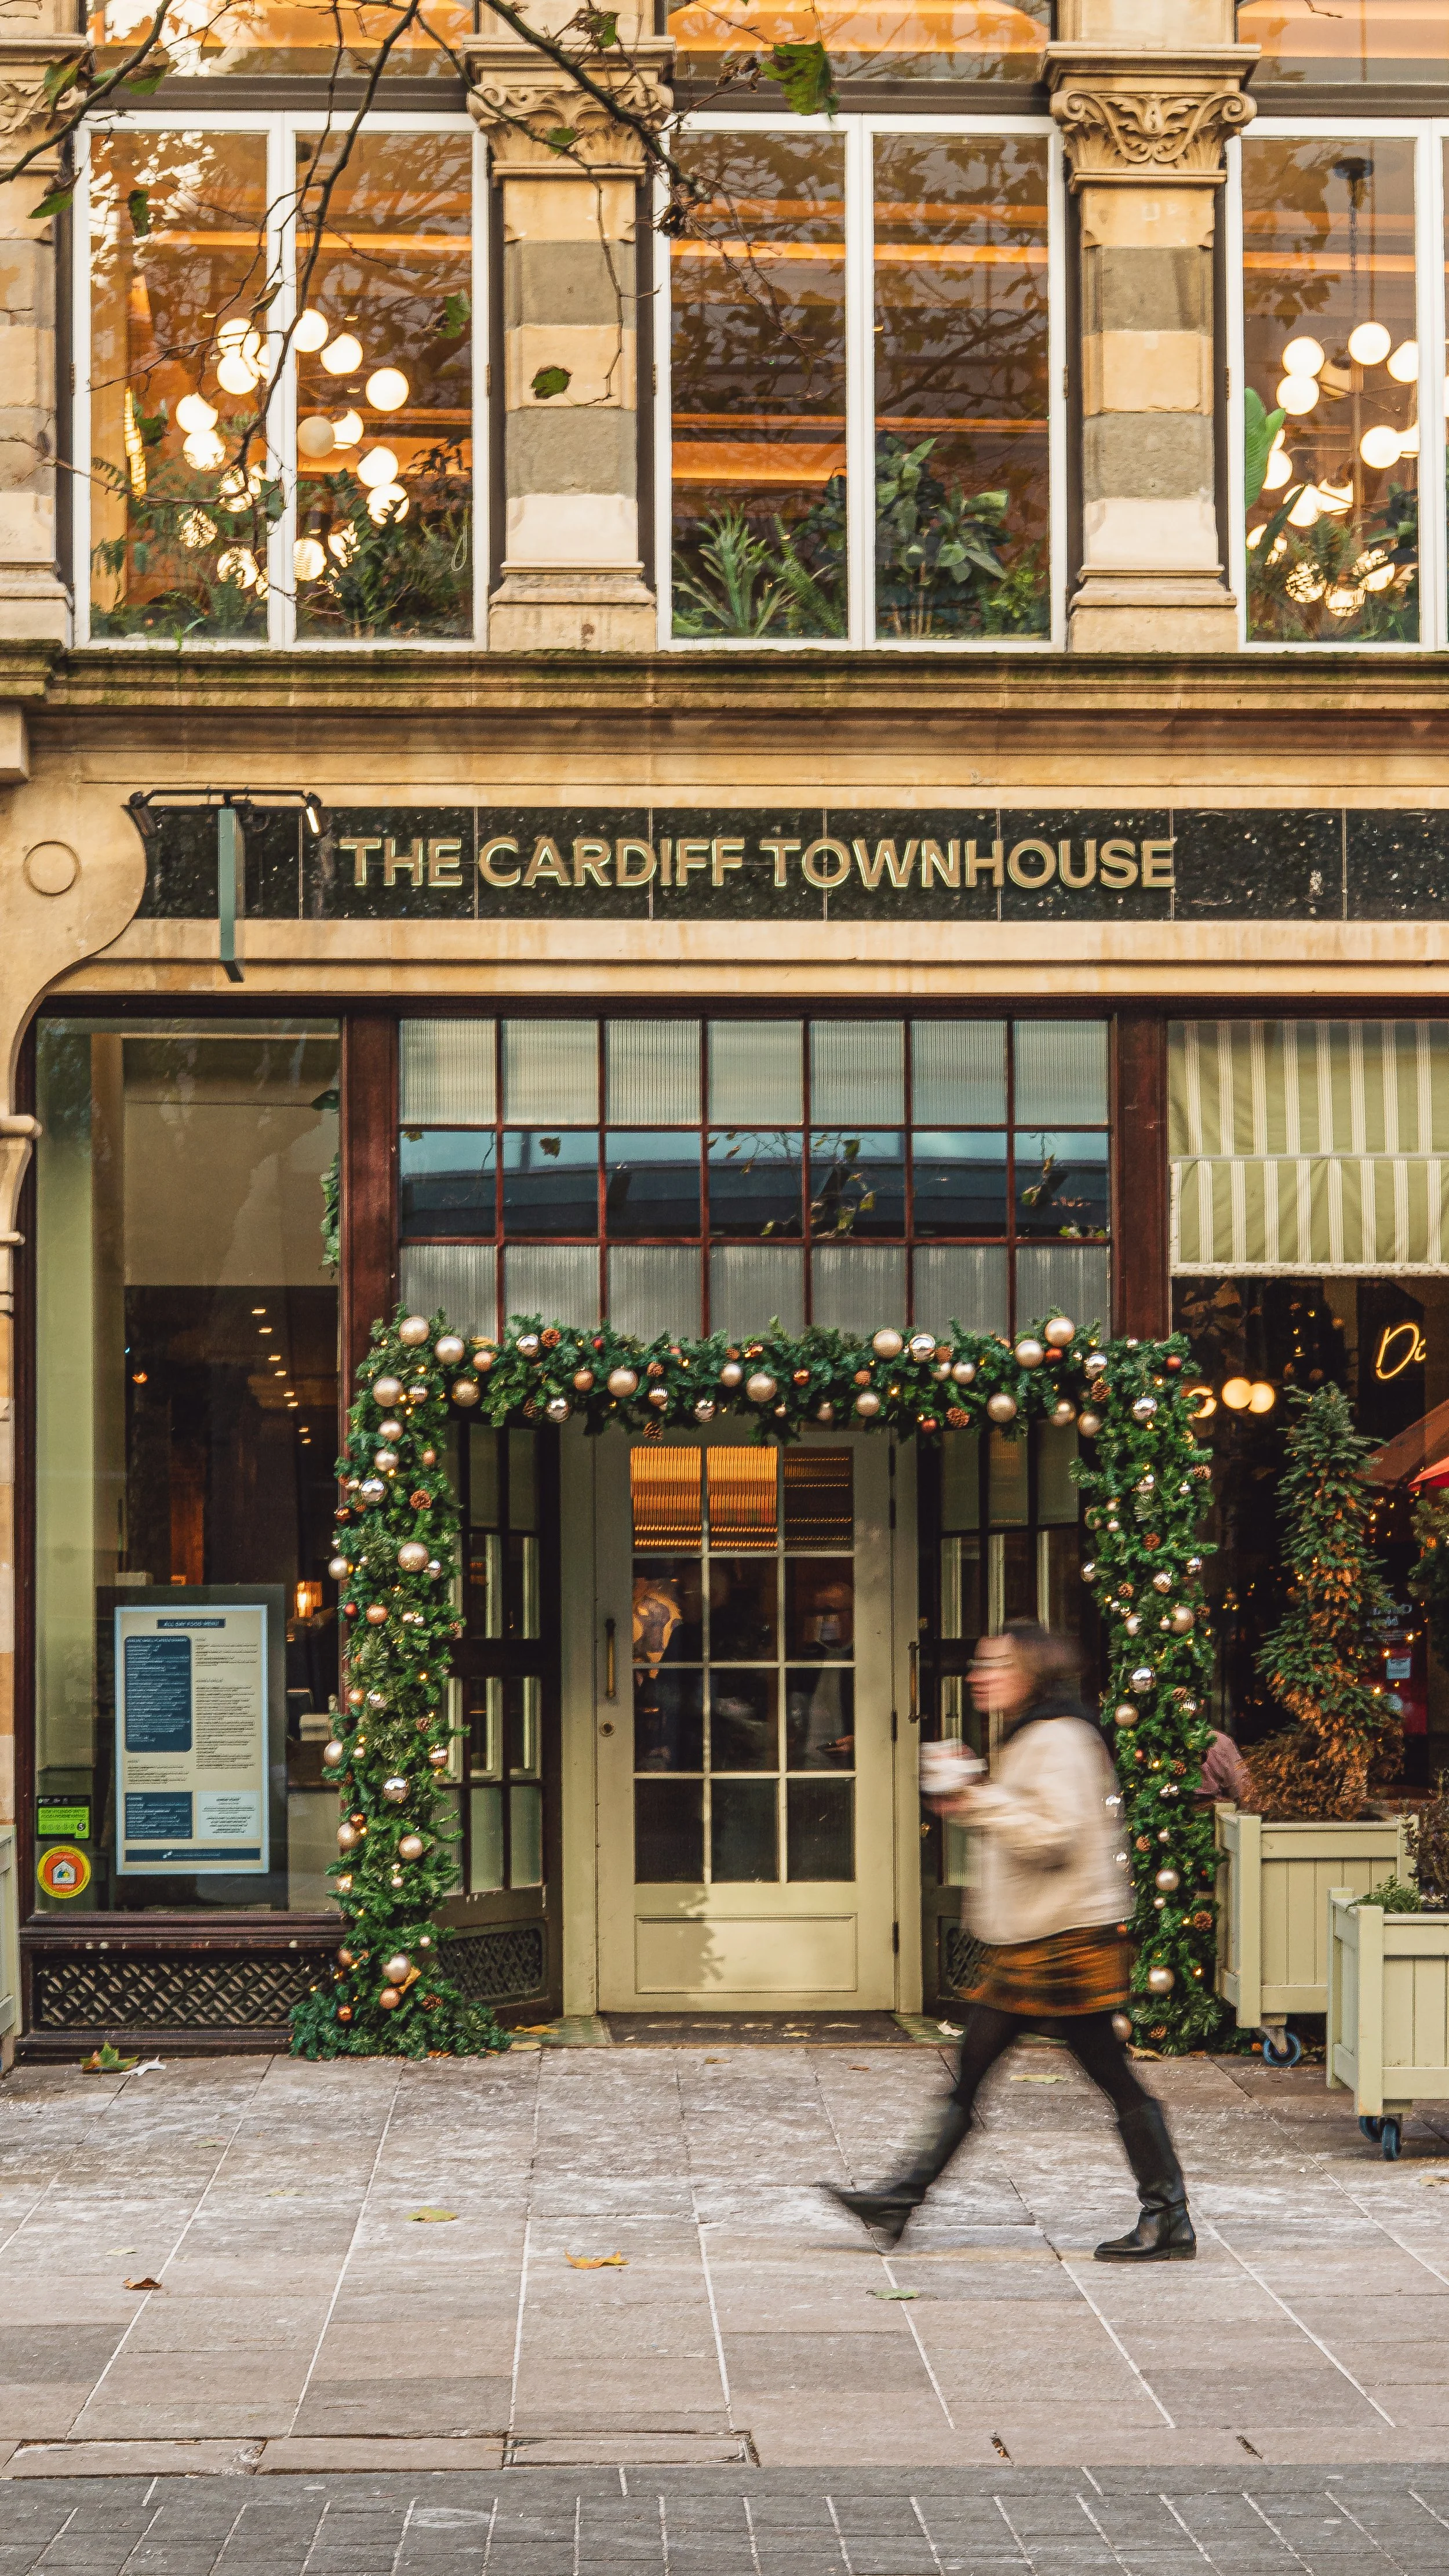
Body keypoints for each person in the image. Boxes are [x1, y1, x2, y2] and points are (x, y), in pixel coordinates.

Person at [821, 1621, 1195, 2262]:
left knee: (1099, 2074)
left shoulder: (1058, 1738)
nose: (978, 1675)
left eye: (993, 1664)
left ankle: (1168, 2216)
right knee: (983, 2071)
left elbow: (1053, 1839)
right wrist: (977, 1796)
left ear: (1029, 1673)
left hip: (1062, 1939)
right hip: (1039, 1936)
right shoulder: (1038, 1732)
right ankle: (898, 2201)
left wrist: (973, 1797)